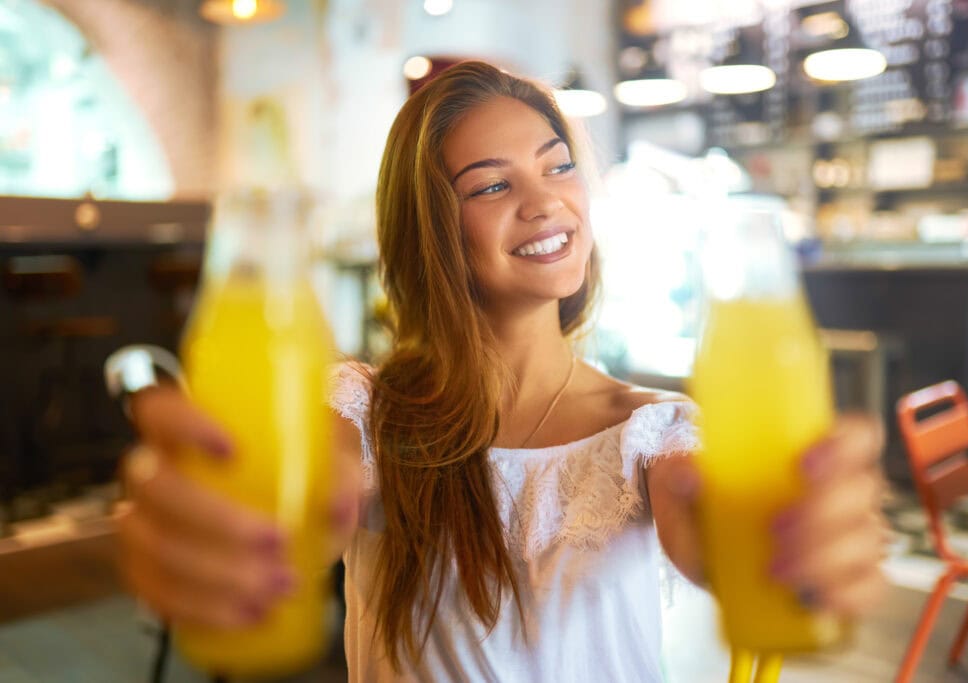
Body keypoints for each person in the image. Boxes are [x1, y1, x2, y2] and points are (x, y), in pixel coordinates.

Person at [118, 61, 887, 681]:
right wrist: (224, 531)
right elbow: (300, 505)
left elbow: (721, 528)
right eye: (491, 184)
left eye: (558, 167)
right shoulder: (367, 410)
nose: (545, 201)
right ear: (429, 229)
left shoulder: (653, 428)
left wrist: (790, 544)